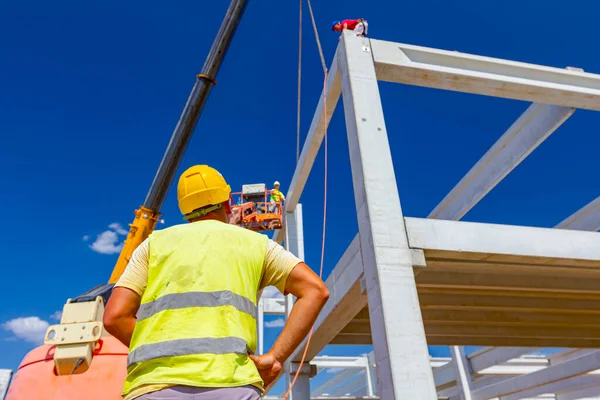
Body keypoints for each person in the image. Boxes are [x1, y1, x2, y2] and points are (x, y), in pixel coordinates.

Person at [104, 165, 329, 400]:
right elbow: (315, 291)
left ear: (185, 210)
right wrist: (275, 357)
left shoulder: (153, 244)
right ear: (228, 203)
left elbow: (114, 317)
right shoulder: (256, 244)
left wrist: (157, 346)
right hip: (232, 386)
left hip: (153, 386)